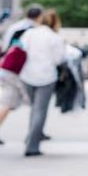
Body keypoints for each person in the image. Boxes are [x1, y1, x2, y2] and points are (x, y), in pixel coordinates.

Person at [0, 5, 42, 147]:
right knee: (7, 102)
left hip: (8, 68)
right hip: (14, 70)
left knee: (8, 102)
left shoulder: (17, 26)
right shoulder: (29, 29)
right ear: (39, 16)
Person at [18, 9, 67, 157]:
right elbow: (58, 59)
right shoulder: (55, 37)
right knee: (40, 110)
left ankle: (30, 137)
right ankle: (32, 146)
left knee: (34, 108)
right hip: (46, 77)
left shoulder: (29, 33)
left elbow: (21, 49)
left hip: (27, 75)